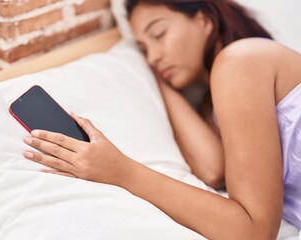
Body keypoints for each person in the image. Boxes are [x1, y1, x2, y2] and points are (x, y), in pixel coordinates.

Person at [22, 0, 301, 238]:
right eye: (144, 49)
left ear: (203, 18)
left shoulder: (241, 60)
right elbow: (213, 167)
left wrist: (120, 171)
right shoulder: (218, 99)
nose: (154, 56)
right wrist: (156, 75)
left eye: (159, 33)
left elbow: (253, 231)